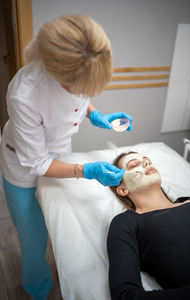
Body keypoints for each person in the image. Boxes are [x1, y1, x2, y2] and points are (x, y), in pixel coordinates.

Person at [0, 15, 132, 300]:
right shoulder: (25, 95)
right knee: (33, 237)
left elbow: (80, 94)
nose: (83, 92)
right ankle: (39, 291)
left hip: (58, 154)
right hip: (23, 166)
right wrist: (87, 171)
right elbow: (37, 163)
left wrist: (94, 113)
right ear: (55, 72)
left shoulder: (75, 71)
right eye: (79, 86)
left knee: (63, 222)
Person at [107, 151, 190, 300]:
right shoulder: (127, 223)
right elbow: (125, 295)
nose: (146, 163)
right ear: (123, 189)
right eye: (134, 165)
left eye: (147, 160)